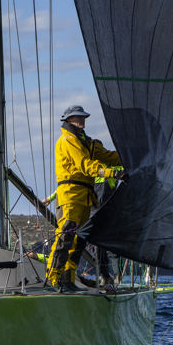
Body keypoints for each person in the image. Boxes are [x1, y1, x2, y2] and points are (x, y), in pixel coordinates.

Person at [46, 105, 126, 292]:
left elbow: (108, 156)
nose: (81, 120)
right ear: (68, 120)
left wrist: (128, 157)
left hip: (85, 196)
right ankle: (52, 280)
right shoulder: (68, 140)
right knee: (65, 237)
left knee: (77, 241)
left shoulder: (87, 142)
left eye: (83, 117)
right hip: (71, 194)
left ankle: (68, 280)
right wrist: (112, 173)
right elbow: (85, 165)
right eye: (77, 117)